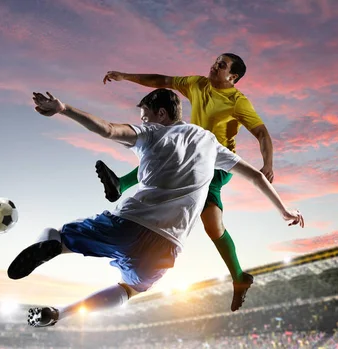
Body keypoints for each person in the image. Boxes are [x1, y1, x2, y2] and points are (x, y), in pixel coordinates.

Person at [7, 89, 304, 328]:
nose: (142, 120)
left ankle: (52, 246)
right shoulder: (210, 142)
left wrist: (63, 109)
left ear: (160, 113)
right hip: (167, 247)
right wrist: (284, 211)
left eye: (144, 115)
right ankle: (60, 314)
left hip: (129, 223)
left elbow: (108, 129)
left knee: (57, 236)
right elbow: (256, 176)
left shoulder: (151, 133)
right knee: (129, 290)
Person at [98, 53, 273, 311]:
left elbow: (262, 133)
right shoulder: (197, 84)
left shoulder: (238, 102)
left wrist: (267, 164)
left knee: (208, 218)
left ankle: (239, 278)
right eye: (215, 61)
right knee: (168, 156)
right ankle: (120, 185)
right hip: (194, 151)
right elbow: (162, 80)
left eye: (221, 65)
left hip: (217, 162)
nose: (214, 66)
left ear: (232, 77)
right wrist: (125, 76)